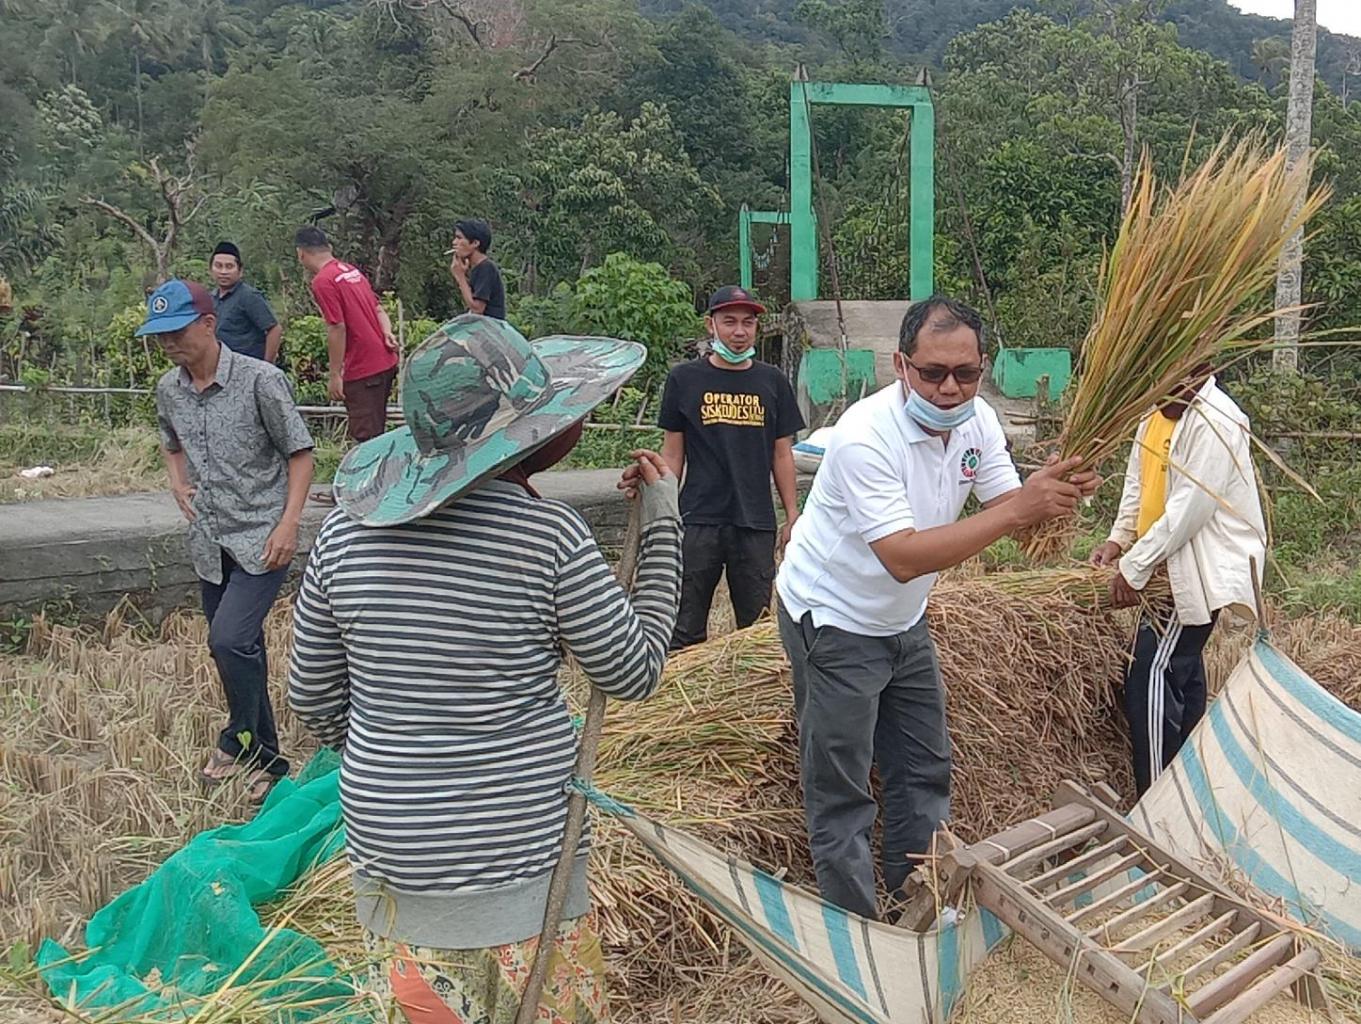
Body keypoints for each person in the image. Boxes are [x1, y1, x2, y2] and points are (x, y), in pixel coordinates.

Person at [288, 315, 681, 1023]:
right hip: (519, 866)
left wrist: (404, 754)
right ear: (534, 437)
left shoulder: (344, 534)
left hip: (391, 857)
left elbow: (311, 697)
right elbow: (633, 671)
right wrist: (660, 524)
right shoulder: (546, 537)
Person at [775, 296, 1100, 921]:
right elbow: (902, 556)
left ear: (983, 368)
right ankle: (857, 926)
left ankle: (918, 900)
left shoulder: (978, 423)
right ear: (901, 365)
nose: (950, 388)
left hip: (902, 621)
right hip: (836, 620)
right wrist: (1016, 511)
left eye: (966, 373)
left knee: (924, 768)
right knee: (841, 788)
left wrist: (1061, 488)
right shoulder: (864, 438)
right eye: (932, 373)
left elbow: (1014, 510)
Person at [138, 279, 315, 805]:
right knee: (241, 647)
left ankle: (236, 739)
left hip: (262, 536)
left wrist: (289, 524)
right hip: (209, 539)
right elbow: (171, 442)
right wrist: (176, 479)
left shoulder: (261, 381)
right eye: (160, 336)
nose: (170, 345)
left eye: (178, 332)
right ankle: (267, 756)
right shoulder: (169, 390)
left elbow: (301, 454)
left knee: (228, 640)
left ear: (209, 325)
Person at [1090, 368, 1265, 796]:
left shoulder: (1215, 421)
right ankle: (1188, 788)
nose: (1165, 392)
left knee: (1150, 672)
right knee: (1180, 672)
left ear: (1202, 371)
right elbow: (1139, 483)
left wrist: (1135, 567)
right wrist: (1118, 540)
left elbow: (1190, 509)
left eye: (1177, 380)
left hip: (1192, 570)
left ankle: (1156, 799)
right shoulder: (1153, 413)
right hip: (1162, 563)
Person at [658, 285, 804, 649]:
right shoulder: (684, 380)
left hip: (754, 521)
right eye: (729, 322)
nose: (739, 332)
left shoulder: (772, 381)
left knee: (755, 628)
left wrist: (791, 513)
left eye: (747, 323)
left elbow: (782, 453)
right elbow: (673, 453)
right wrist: (662, 510)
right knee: (686, 627)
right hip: (698, 518)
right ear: (711, 325)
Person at [294, 226, 400, 443]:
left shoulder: (323, 281)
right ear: (328, 248)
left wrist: (334, 375)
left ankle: (374, 477)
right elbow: (378, 308)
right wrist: (387, 332)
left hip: (364, 369)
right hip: (385, 361)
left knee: (366, 440)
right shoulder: (349, 270)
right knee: (376, 431)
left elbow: (336, 327)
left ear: (301, 253)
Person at [209, 241, 283, 363]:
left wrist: (267, 366)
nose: (223, 272)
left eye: (229, 266)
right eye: (218, 266)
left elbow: (274, 329)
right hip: (220, 368)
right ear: (211, 269)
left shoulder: (248, 296)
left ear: (240, 270)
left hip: (248, 367)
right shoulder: (211, 298)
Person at [449, 217, 506, 320]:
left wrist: (460, 276)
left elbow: (477, 309)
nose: (454, 242)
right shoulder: (477, 268)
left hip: (491, 329)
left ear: (475, 243)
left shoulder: (486, 268)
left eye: (459, 238)